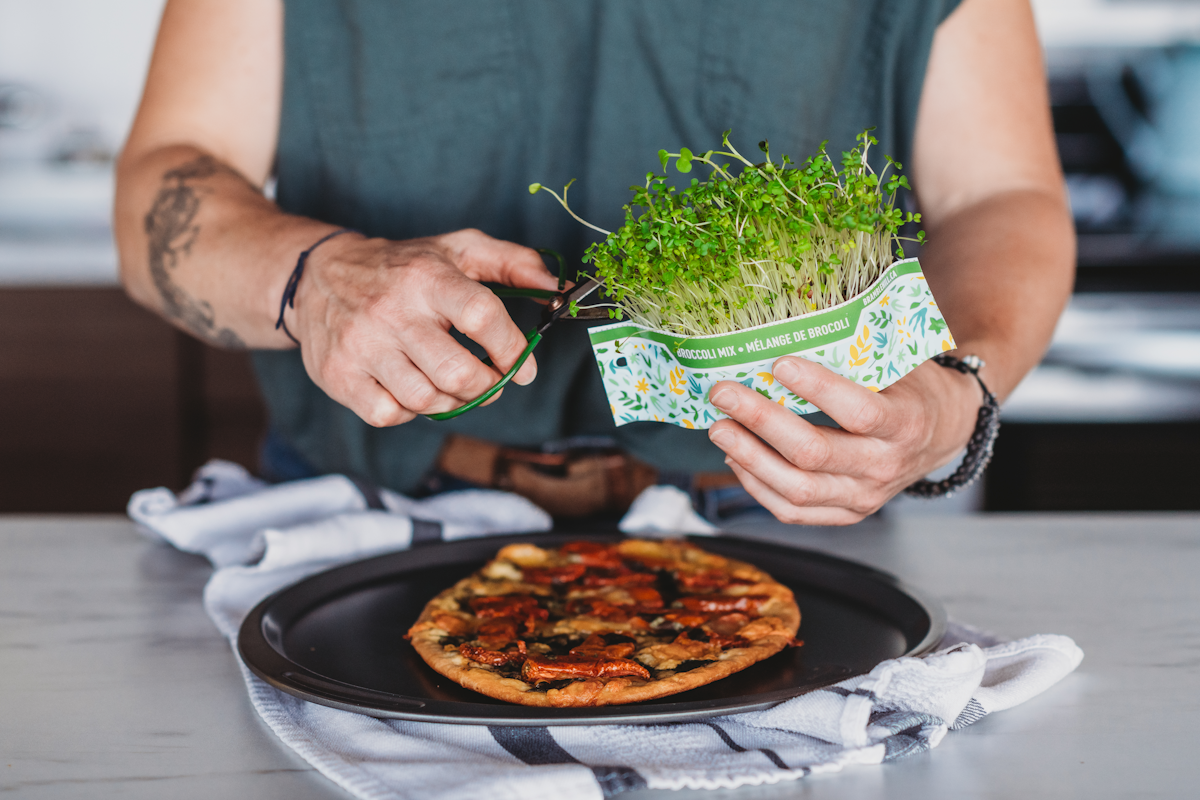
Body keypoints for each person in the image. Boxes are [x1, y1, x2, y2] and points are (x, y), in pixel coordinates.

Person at [114, 0, 1074, 525]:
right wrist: (311, 276)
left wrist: (956, 392)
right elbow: (166, 177)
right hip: (364, 517)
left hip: (782, 514)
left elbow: (1001, 197)